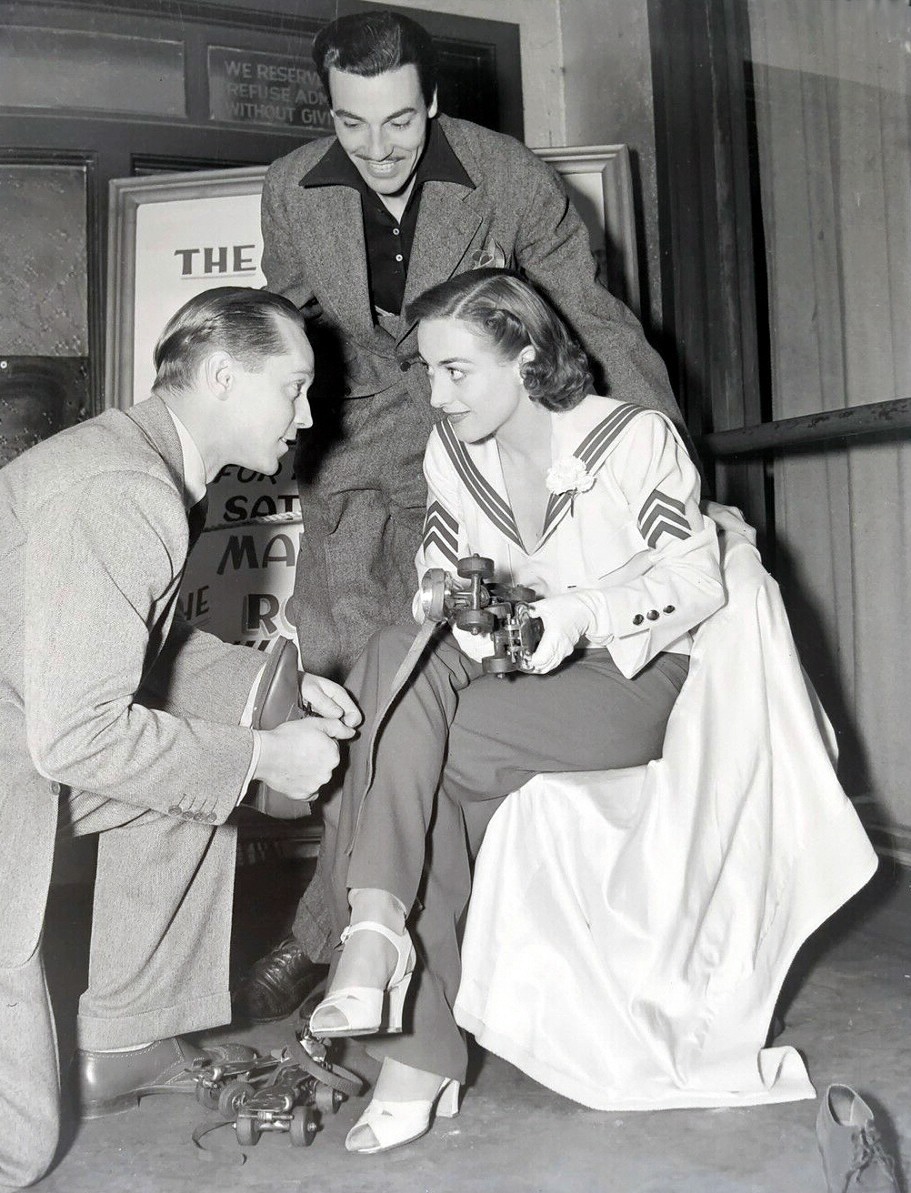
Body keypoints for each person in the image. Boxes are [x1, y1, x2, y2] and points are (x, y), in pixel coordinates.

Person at [243, 5, 695, 1020]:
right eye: (352, 125)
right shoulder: (287, 187)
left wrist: (667, 465)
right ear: (329, 111)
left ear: (432, 101)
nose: (377, 148)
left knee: (400, 687)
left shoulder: (504, 174)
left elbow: (593, 315)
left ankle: (334, 936)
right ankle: (370, 927)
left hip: (469, 455)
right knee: (343, 693)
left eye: (398, 122)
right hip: (349, 460)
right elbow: (293, 324)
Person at [304, 268, 725, 1154]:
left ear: (527, 359)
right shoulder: (450, 452)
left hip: (626, 679)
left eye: (457, 371)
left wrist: (577, 611)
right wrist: (443, 597)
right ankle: (387, 955)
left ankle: (390, 985)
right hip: (506, 674)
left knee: (396, 750)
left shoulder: (630, 439)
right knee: (397, 666)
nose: (435, 393)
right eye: (426, 371)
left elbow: (694, 580)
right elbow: (439, 563)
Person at [0, 286, 361, 1189]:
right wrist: (262, 757)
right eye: (294, 388)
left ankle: (127, 1033)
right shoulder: (123, 490)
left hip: (17, 742)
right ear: (223, 377)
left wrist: (275, 692)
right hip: (22, 768)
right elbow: (78, 736)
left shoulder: (136, 464)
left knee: (197, 763)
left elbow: (142, 654)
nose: (306, 415)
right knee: (18, 1151)